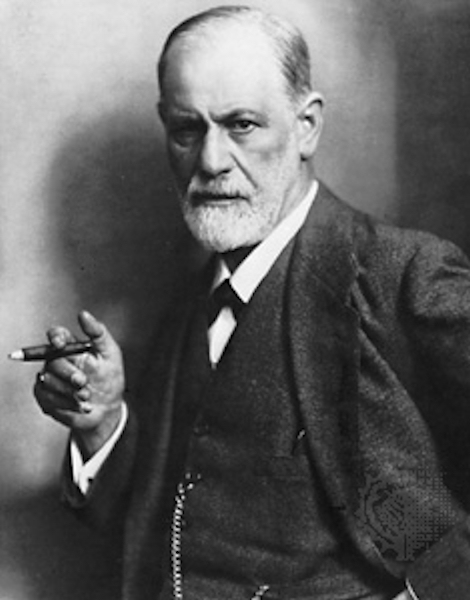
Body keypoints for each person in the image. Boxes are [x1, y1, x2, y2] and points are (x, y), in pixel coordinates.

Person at [33, 5, 470, 600]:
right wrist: (104, 422)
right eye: (188, 129)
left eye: (241, 125)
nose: (210, 162)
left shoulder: (404, 275)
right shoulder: (190, 303)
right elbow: (168, 516)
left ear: (307, 126)